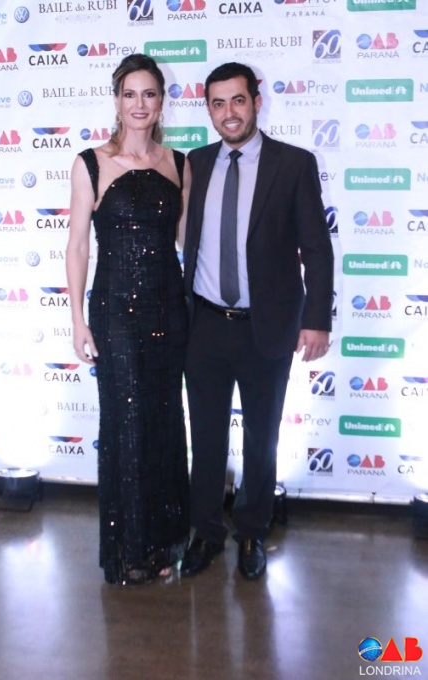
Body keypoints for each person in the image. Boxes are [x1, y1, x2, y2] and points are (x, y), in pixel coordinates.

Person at [180, 62, 334, 581]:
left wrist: (316, 319)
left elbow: (317, 248)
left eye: (238, 100)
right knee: (205, 438)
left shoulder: (293, 164)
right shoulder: (195, 164)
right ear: (208, 109)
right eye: (218, 103)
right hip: (204, 324)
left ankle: (251, 531)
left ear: (256, 101)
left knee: (262, 437)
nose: (229, 112)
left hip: (266, 326)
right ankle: (205, 532)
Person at [66, 54, 191, 585]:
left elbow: (188, 243)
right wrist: (77, 321)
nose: (140, 104)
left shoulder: (179, 164)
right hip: (115, 313)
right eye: (130, 94)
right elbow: (77, 247)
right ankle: (130, 547)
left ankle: (164, 542)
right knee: (127, 425)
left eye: (149, 94)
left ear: (162, 101)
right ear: (117, 101)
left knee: (164, 422)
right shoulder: (91, 163)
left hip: (171, 310)